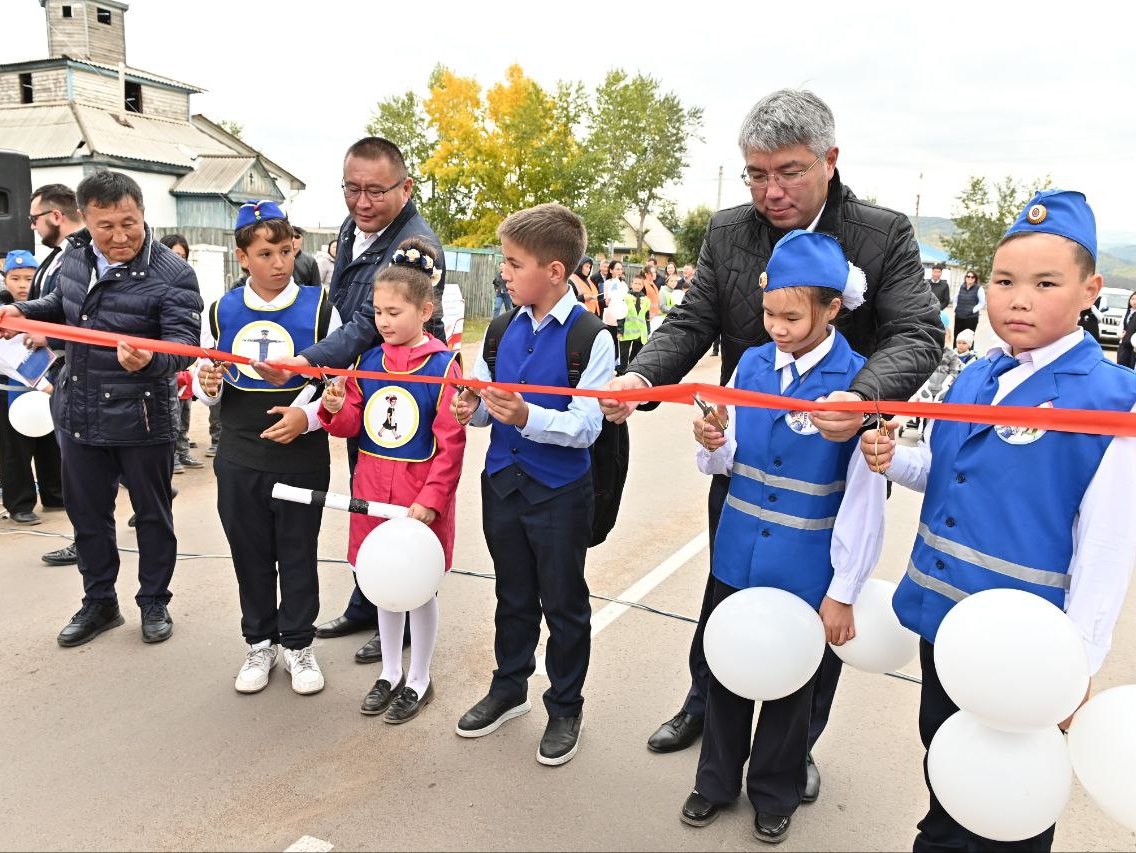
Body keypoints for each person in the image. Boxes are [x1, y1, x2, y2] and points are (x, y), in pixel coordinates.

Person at [600, 89, 942, 791]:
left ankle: (795, 746)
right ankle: (706, 704)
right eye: (756, 174)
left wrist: (860, 397)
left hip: (831, 458)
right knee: (726, 588)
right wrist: (640, 378)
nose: (770, 190)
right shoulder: (728, 231)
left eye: (788, 172)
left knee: (817, 605)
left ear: (830, 161)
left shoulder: (882, 234)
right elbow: (691, 321)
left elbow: (919, 333)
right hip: (746, 453)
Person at [862, 189, 1136, 853]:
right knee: (947, 758)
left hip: (1023, 647)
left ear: (1089, 290)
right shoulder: (977, 377)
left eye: (1045, 283)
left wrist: (1076, 665)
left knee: (1007, 799)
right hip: (944, 622)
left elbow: (1105, 549)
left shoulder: (1109, 402)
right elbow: (950, 471)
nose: (1018, 298)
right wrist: (896, 459)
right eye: (1005, 281)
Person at [682, 230, 885, 844]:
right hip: (738, 551)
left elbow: (863, 499)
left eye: (793, 316)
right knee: (725, 670)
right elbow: (731, 455)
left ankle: (776, 789)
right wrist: (713, 445)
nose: (776, 326)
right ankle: (714, 781)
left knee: (794, 684)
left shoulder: (855, 385)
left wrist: (845, 587)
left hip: (807, 565)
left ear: (832, 310)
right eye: (768, 312)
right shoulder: (749, 365)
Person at [249, 137, 447, 661]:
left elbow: (366, 324)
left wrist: (303, 363)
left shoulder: (416, 248)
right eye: (351, 188)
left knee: (405, 500)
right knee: (368, 491)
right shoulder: (355, 228)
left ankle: (402, 614)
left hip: (411, 384)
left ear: (405, 188)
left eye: (375, 191)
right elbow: (342, 303)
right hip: (370, 380)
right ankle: (369, 600)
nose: (361, 202)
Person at [0, 170, 203, 647]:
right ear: (84, 220)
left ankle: (154, 600)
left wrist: (153, 357)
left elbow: (184, 344)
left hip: (143, 416)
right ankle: (99, 602)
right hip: (79, 413)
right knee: (88, 516)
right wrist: (22, 312)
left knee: (152, 515)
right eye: (105, 226)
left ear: (142, 213)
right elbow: (63, 305)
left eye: (128, 223)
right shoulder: (72, 255)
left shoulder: (173, 273)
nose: (119, 236)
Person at [450, 202, 616, 766]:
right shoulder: (499, 330)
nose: (504, 272)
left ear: (553, 270)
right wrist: (469, 408)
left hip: (559, 493)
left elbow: (587, 427)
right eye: (504, 261)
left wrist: (527, 417)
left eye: (514, 263)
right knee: (511, 594)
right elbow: (483, 412)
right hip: (502, 483)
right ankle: (509, 687)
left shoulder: (590, 338)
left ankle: (565, 706)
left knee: (565, 604)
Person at [195, 201, 338, 695]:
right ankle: (259, 641)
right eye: (264, 253)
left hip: (299, 452)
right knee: (249, 552)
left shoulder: (322, 306)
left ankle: (299, 644)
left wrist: (309, 417)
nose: (278, 263)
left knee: (297, 551)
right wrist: (208, 382)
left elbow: (339, 384)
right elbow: (205, 385)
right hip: (239, 451)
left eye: (284, 250)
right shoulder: (220, 309)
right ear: (242, 257)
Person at [319, 238, 465, 722]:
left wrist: (431, 499)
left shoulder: (444, 366)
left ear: (426, 310)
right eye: (378, 311)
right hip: (372, 492)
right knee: (382, 582)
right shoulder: (369, 361)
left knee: (417, 585)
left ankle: (419, 677)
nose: (383, 321)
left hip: (416, 499)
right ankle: (389, 670)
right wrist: (335, 408)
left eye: (394, 311)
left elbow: (450, 442)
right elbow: (351, 426)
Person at [27, 184, 83, 565]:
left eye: (35, 219)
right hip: (60, 367)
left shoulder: (79, 255)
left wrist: (43, 333)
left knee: (79, 466)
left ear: (56, 216)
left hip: (80, 368)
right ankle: (85, 536)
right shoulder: (57, 256)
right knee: (74, 463)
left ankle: (88, 540)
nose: (32, 226)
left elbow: (81, 315)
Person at [0, 250, 64, 525]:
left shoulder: (47, 308)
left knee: (51, 442)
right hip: (10, 390)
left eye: (29, 278)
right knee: (15, 449)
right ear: (6, 279)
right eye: (16, 278)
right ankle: (20, 503)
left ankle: (55, 493)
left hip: (48, 388)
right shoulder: (3, 310)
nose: (23, 284)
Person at [158, 234, 203, 474]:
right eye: (174, 256)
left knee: (183, 411)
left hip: (182, 363)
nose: (179, 261)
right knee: (169, 411)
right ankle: (171, 456)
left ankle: (183, 451)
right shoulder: (151, 285)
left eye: (183, 257)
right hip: (159, 365)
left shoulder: (185, 283)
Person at [619, 271, 651, 371]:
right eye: (635, 283)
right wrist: (620, 330)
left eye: (639, 284)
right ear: (631, 284)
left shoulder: (646, 300)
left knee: (636, 353)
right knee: (624, 353)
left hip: (640, 332)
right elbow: (621, 315)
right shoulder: (626, 298)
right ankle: (622, 370)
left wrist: (648, 331)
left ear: (642, 286)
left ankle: (632, 370)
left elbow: (647, 317)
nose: (637, 286)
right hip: (627, 331)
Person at [951, 269, 985, 338]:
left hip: (971, 318)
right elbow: (955, 299)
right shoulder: (961, 287)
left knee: (968, 338)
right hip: (959, 316)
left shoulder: (979, 289)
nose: (970, 278)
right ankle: (955, 349)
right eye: (968, 276)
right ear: (965, 277)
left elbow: (982, 303)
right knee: (957, 337)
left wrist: (972, 310)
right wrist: (955, 308)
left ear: (975, 279)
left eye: (972, 277)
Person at [1117, 290, 1136, 369]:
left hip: (1134, 346)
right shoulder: (1127, 312)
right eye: (1132, 299)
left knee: (1131, 369)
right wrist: (1120, 334)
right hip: (1124, 344)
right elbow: (1121, 326)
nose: (1134, 301)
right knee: (1121, 366)